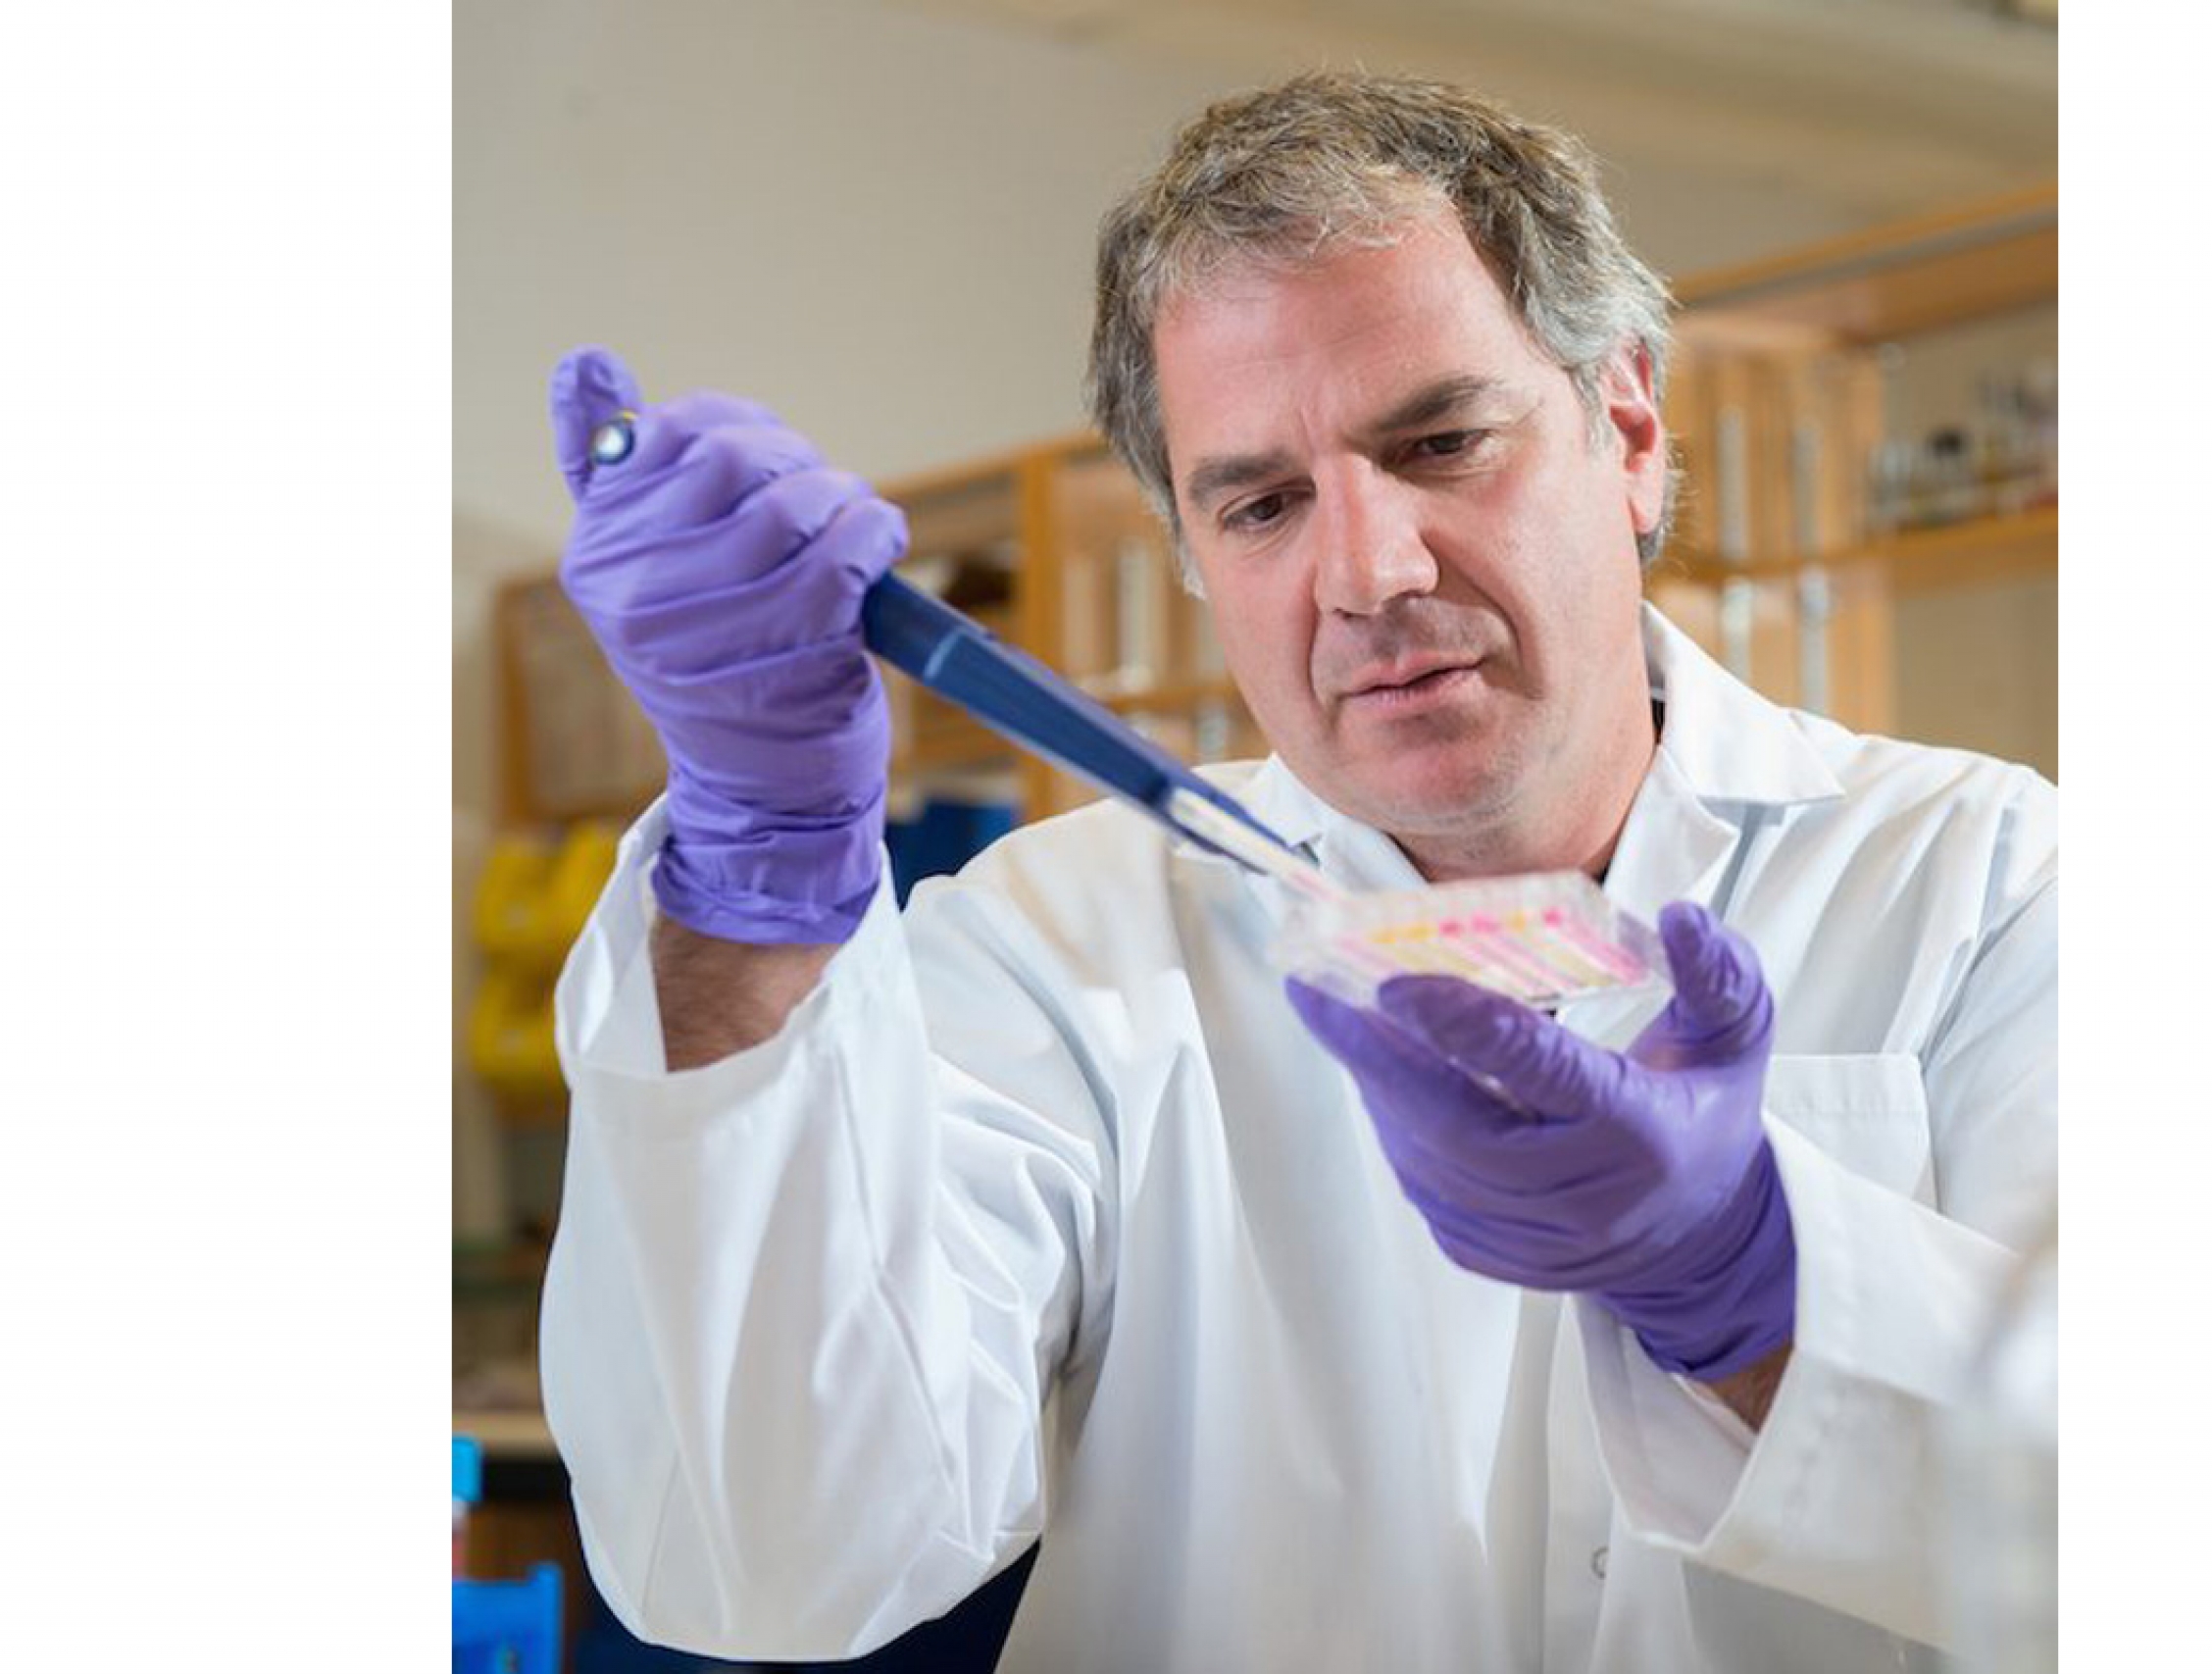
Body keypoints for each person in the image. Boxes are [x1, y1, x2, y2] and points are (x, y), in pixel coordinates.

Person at [538, 71, 2055, 1673]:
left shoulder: (1992, 883)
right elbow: (774, 1557)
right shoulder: (1057, 949)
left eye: (1444, 441)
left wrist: (1753, 1284)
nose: (1368, 574)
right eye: (1259, 503)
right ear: (1194, 557)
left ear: (1627, 429)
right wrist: (749, 880)